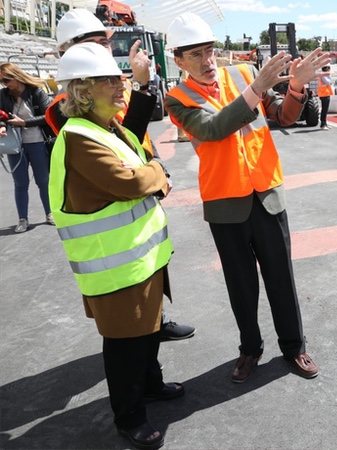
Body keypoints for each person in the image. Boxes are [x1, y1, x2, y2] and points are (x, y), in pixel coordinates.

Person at [164, 12, 329, 382]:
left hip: (267, 194)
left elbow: (282, 118)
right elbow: (213, 129)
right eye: (196, 55)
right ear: (178, 60)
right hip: (225, 203)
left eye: (210, 51)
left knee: (282, 278)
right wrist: (257, 88)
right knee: (241, 285)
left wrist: (297, 88)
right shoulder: (177, 98)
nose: (207, 61)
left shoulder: (240, 74)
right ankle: (250, 349)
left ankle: (294, 347)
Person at [49, 43, 183, 450]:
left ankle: (152, 385)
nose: (119, 85)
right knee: (126, 344)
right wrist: (159, 172)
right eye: (108, 80)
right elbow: (131, 181)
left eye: (119, 78)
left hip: (141, 257)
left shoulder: (109, 127)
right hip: (114, 265)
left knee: (149, 331)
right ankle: (130, 416)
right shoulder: (78, 137)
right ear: (83, 90)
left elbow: (141, 159)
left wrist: (149, 170)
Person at [46, 8, 196, 342]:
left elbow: (126, 132)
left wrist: (141, 87)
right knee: (128, 303)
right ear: (69, 49)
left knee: (147, 276)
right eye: (96, 42)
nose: (105, 49)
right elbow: (110, 152)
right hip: (119, 203)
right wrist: (151, 172)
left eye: (105, 42)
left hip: (139, 183)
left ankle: (154, 323)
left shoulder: (103, 81)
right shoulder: (67, 104)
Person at [0, 63, 52, 233]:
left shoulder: (36, 92)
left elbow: (48, 116)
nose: (4, 84)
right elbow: (1, 114)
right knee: (20, 183)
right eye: (1, 81)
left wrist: (24, 122)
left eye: (7, 79)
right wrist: (2, 125)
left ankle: (49, 213)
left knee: (43, 181)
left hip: (37, 142)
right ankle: (23, 218)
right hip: (15, 145)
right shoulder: (3, 95)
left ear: (16, 76)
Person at [317, 65, 332, 129]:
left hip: (325, 93)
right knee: (324, 110)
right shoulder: (323, 76)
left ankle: (324, 123)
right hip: (324, 93)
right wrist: (329, 76)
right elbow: (328, 82)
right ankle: (323, 124)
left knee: (325, 109)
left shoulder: (323, 75)